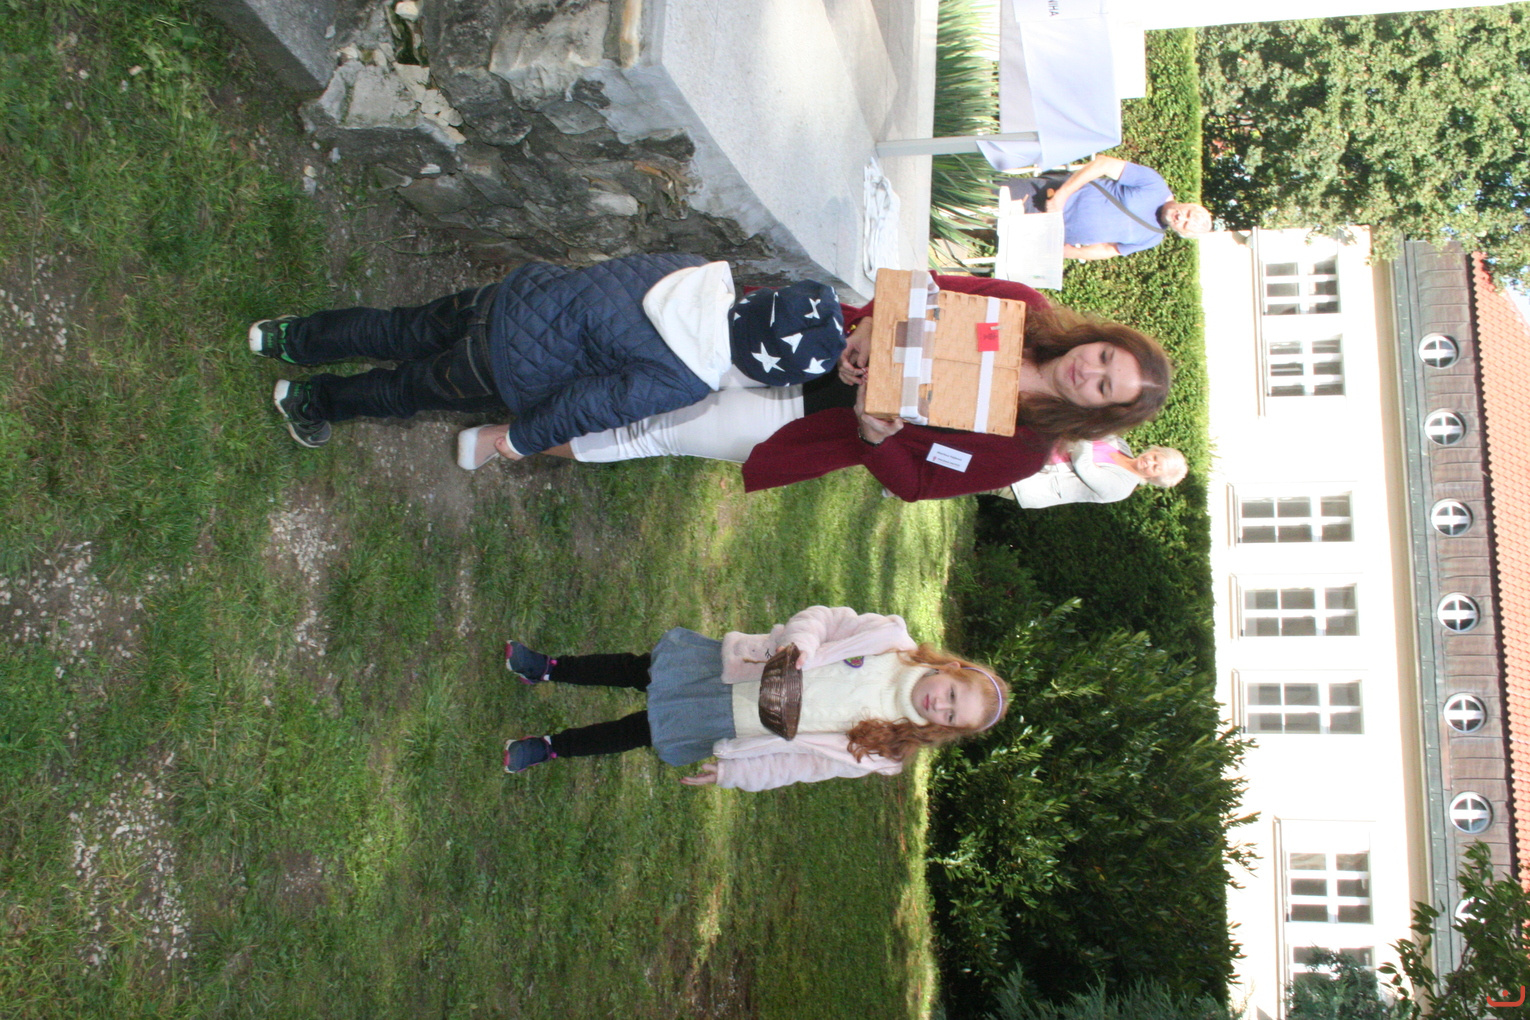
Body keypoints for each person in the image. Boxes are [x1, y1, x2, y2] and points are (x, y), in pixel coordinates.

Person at [469, 276, 1174, 503]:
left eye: (1105, 388)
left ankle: (507, 440)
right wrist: (867, 328)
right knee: (664, 365)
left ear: (1099, 414)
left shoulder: (1023, 450)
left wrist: (875, 437)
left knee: (652, 432)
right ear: (1099, 338)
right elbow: (923, 290)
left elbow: (918, 483)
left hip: (807, 426)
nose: (1089, 372)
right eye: (1104, 357)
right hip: (802, 351)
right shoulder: (1022, 307)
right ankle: (521, 378)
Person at [247, 255, 844, 459]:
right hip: (500, 369)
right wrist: (522, 439)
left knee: (398, 328)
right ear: (763, 372)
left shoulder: (694, 269)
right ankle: (309, 401)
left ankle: (290, 338)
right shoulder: (687, 380)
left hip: (503, 299)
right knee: (405, 390)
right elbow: (590, 405)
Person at [499, 605, 1009, 791]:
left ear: (947, 730)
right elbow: (825, 618)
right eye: (952, 694)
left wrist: (733, 774)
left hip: (736, 722)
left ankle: (550, 747)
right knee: (640, 671)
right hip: (737, 672)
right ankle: (547, 668)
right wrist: (803, 641)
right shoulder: (887, 639)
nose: (940, 706)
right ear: (951, 668)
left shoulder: (884, 753)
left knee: (639, 731)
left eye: (951, 716)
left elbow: (800, 765)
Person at [1002, 155, 1212, 261]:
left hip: (1042, 233)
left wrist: (1071, 252)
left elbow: (1108, 250)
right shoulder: (1154, 184)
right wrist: (1063, 195)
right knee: (988, 195)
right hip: (1041, 196)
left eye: (1185, 224)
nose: (1181, 218)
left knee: (985, 228)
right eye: (1188, 213)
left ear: (1180, 232)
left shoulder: (1152, 238)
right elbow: (1102, 164)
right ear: (1189, 204)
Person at [999, 438, 1187, 507]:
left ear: (1154, 478)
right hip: (1030, 450)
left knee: (984, 477)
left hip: (1028, 480)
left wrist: (1086, 433)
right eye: (1155, 456)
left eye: (1155, 467)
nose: (1149, 461)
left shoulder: (1122, 488)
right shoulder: (1121, 445)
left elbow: (1084, 466)